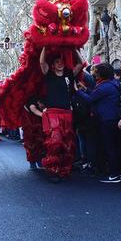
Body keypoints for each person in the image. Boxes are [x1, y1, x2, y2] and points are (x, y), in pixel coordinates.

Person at [39, 47, 83, 180]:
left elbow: (81, 63)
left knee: (67, 140)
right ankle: (53, 169)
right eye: (57, 62)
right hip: (52, 112)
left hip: (67, 112)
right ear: (52, 65)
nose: (60, 63)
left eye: (61, 61)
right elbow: (42, 63)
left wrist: (74, 49)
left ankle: (64, 167)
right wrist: (45, 47)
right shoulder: (49, 74)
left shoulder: (69, 74)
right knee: (55, 139)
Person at [76, 63, 121, 183]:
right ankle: (117, 171)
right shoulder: (110, 84)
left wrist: (77, 91)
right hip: (111, 118)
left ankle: (114, 174)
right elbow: (95, 94)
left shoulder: (104, 86)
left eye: (96, 71)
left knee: (110, 147)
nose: (94, 74)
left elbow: (91, 98)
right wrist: (85, 89)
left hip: (107, 119)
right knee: (113, 146)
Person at [21, 97, 45, 169]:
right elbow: (32, 108)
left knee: (39, 142)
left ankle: (38, 160)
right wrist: (44, 115)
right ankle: (33, 162)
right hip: (30, 125)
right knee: (31, 143)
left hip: (37, 124)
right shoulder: (30, 98)